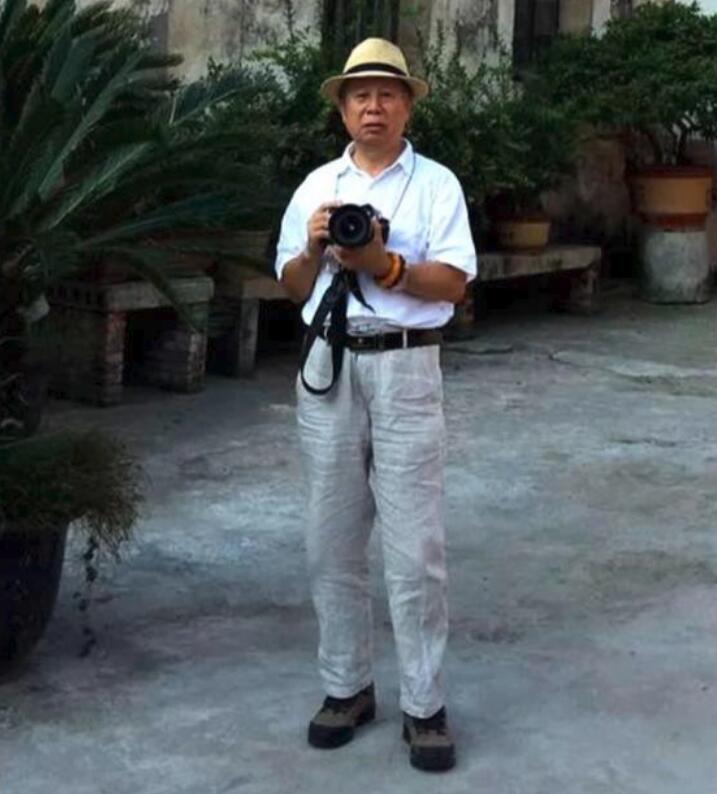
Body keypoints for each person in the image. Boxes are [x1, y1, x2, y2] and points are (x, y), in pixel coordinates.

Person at [274, 37, 476, 772]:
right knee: (329, 539)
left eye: (388, 94)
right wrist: (314, 249)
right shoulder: (316, 187)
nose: (373, 107)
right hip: (327, 363)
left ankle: (424, 705)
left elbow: (454, 283)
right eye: (360, 94)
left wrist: (382, 265)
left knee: (415, 548)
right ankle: (346, 687)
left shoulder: (437, 185)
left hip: (405, 364)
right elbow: (291, 284)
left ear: (407, 106)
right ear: (341, 109)